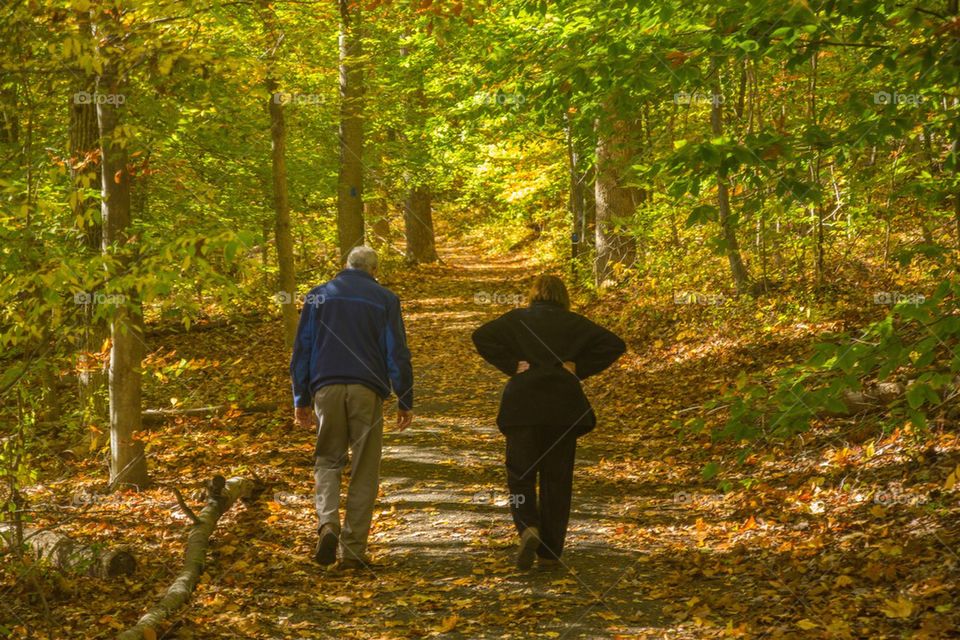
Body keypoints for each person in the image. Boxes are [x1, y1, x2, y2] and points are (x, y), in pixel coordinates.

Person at [471, 275, 625, 570]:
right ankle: (550, 552)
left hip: (522, 408)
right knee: (557, 479)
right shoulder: (575, 323)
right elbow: (614, 344)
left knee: (520, 475)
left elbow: (481, 336)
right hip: (563, 410)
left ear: (534, 295)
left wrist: (511, 365)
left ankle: (528, 526)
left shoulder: (517, 319)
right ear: (563, 297)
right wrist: (578, 368)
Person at [290, 246, 414, 570]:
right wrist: (405, 397)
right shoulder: (385, 299)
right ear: (374, 271)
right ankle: (353, 550)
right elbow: (396, 352)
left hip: (325, 388)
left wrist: (300, 399)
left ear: (345, 266)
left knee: (327, 460)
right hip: (366, 391)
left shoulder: (318, 296)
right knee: (364, 468)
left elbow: (302, 350)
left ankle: (327, 523)